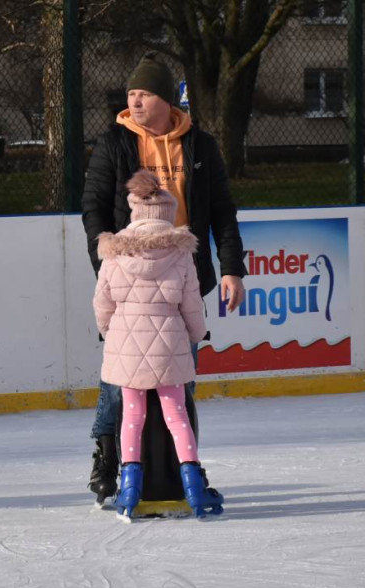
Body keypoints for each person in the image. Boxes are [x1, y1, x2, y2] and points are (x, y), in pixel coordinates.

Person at [81, 52, 247, 503]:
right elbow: (93, 207)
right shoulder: (115, 141)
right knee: (117, 385)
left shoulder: (200, 145)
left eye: (144, 94)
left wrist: (232, 267)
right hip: (128, 280)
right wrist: (109, 265)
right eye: (131, 94)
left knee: (182, 383)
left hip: (183, 279)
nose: (134, 101)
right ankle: (107, 458)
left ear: (166, 99)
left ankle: (185, 469)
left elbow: (222, 213)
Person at [93, 171, 223, 518]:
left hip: (126, 342)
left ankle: (130, 489)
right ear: (168, 213)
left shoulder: (114, 251)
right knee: (177, 415)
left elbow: (102, 302)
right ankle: (194, 488)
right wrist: (196, 333)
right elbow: (192, 304)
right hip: (169, 342)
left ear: (135, 212)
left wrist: (110, 330)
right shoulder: (181, 253)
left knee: (132, 417)